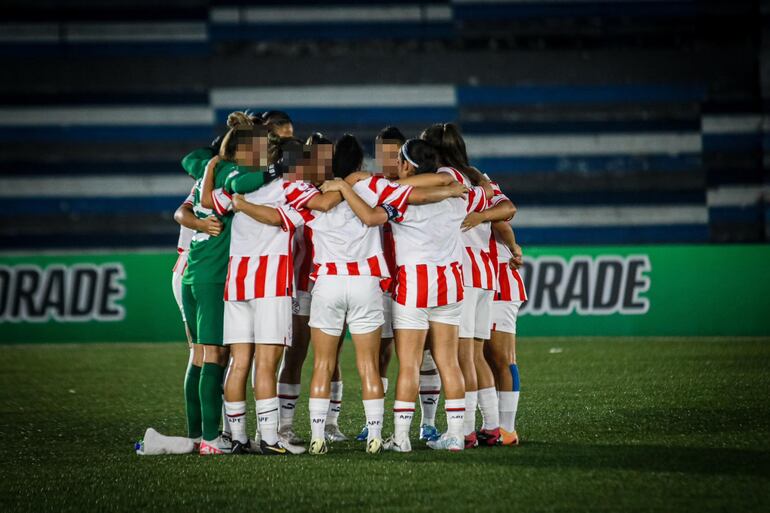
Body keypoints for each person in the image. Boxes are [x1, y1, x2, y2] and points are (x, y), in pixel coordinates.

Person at [322, 138, 482, 452]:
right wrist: (449, 185)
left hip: (414, 285)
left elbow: (369, 217)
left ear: (407, 165)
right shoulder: (460, 195)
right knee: (448, 362)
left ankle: (402, 437)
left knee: (408, 365)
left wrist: (343, 186)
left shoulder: (398, 194)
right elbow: (485, 193)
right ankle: (455, 435)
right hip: (450, 283)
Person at [217, 137, 342, 454]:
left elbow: (212, 201)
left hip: (237, 281)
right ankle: (270, 439)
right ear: (296, 163)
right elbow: (300, 212)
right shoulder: (294, 188)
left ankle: (237, 438)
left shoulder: (236, 181)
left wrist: (239, 201)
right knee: (267, 364)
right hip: (270, 284)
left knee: (239, 361)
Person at [422, 123, 515, 448]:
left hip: (461, 273)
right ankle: (491, 426)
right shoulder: (477, 176)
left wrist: (476, 216)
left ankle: (463, 431)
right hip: (486, 274)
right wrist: (483, 216)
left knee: (460, 357)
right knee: (475, 356)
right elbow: (508, 208)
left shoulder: (444, 177)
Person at [173, 124, 241, 455]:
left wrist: (199, 222)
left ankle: (197, 434)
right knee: (215, 354)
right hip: (213, 275)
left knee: (199, 354)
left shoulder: (205, 175)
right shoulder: (230, 176)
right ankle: (213, 439)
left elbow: (183, 211)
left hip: (193, 274)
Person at [276, 132, 343, 445]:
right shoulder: (297, 190)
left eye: (329, 158)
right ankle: (284, 426)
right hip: (302, 284)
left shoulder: (338, 189)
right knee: (296, 354)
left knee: (333, 357)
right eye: (320, 158)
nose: (325, 164)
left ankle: (331, 424)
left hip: (330, 283)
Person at [483, 182, 526, 446]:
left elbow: (503, 218)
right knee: (483, 358)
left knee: (502, 357)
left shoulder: (477, 187)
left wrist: (513, 248)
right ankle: (493, 425)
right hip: (483, 282)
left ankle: (507, 429)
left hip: (499, 280)